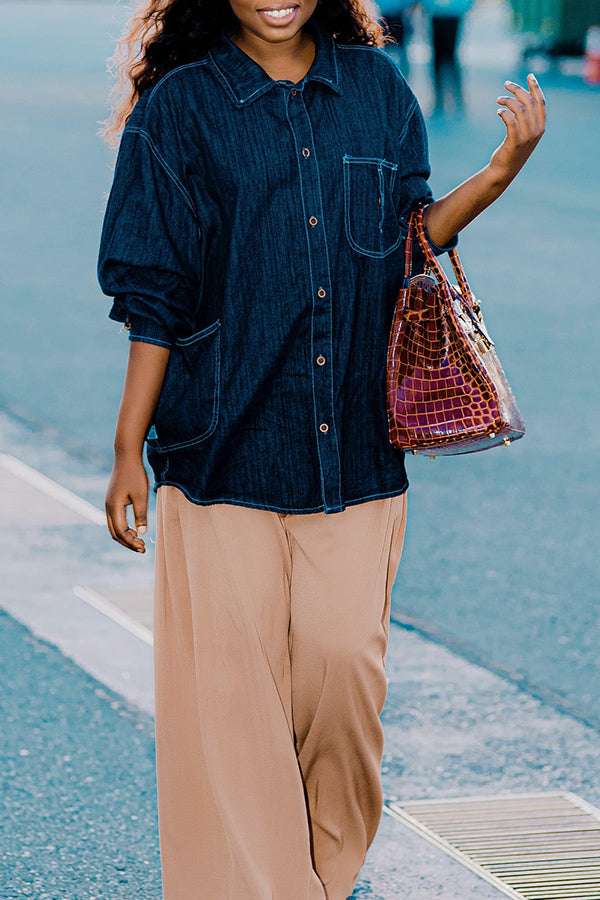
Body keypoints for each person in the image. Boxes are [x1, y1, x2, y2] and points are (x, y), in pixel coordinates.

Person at [97, 1, 545, 897]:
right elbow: (153, 294)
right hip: (220, 450)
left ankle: (322, 877)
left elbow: (413, 235)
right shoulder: (179, 108)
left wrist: (502, 170)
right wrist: (125, 451)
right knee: (234, 712)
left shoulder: (377, 88)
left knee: (343, 684)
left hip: (358, 451)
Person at [422, 0, 474, 113]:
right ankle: (438, 98)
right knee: (437, 58)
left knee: (450, 57)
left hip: (452, 14)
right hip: (437, 15)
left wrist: (463, 8)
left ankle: (457, 98)